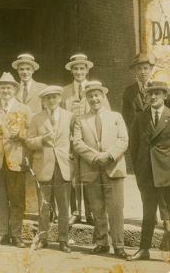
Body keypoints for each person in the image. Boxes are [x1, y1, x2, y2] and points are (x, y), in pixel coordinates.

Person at [129, 79, 170, 263]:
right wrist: (139, 170)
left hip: (169, 172)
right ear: (146, 96)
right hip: (147, 173)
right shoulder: (140, 118)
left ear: (165, 95)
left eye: (158, 93)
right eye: (150, 93)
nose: (153, 96)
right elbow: (134, 146)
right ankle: (144, 249)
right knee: (148, 214)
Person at [72, 79, 128, 259]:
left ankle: (119, 245)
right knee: (97, 208)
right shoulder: (81, 120)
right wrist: (94, 156)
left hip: (113, 167)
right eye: (90, 96)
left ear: (103, 96)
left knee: (116, 208)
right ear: (87, 99)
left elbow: (123, 140)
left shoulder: (116, 117)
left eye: (97, 95)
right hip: (91, 168)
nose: (94, 99)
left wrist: (109, 155)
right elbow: (77, 143)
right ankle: (101, 242)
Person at [0, 71, 29, 247]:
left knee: (17, 199)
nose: (5, 90)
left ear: (15, 89)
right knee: (1, 198)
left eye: (9, 87)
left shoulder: (24, 109)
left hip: (16, 160)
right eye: (2, 87)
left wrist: (22, 134)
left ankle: (16, 235)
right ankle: (2, 233)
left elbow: (31, 135)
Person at [26, 84, 72, 252]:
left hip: (63, 165)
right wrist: (42, 139)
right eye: (48, 98)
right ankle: (43, 239)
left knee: (63, 205)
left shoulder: (69, 117)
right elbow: (29, 141)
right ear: (43, 101)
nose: (51, 101)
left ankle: (63, 240)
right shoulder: (36, 118)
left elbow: (74, 141)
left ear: (60, 99)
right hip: (44, 165)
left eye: (54, 97)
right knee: (44, 206)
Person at [62, 53, 95, 226]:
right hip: (71, 139)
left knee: (89, 176)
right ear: (71, 70)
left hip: (90, 140)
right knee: (73, 177)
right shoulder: (65, 91)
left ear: (87, 70)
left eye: (82, 68)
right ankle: (75, 212)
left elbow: (106, 113)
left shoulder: (95, 89)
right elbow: (61, 116)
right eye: (76, 68)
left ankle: (91, 212)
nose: (79, 72)